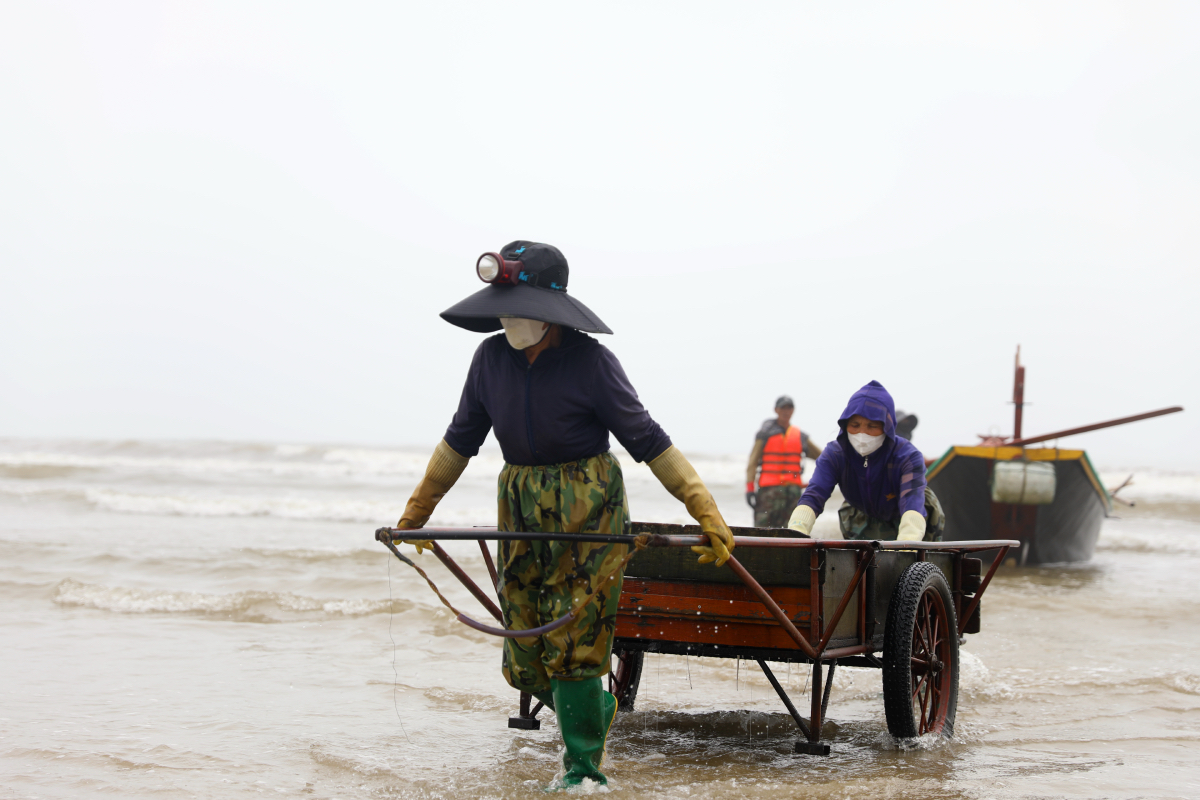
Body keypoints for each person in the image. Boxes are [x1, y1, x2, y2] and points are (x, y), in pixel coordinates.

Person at [393, 241, 735, 788]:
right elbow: (460, 441)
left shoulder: (592, 362)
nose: (510, 319)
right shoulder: (488, 360)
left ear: (551, 311)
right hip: (521, 504)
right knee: (526, 650)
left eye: (521, 307)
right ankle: (595, 713)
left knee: (574, 644)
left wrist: (704, 507)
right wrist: (416, 512)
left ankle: (583, 773)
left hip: (586, 507)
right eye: (503, 307)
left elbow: (647, 440)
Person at [787, 381, 944, 541]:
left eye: (872, 426)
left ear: (887, 428)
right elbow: (815, 494)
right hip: (862, 514)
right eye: (855, 425)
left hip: (909, 514)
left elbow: (911, 500)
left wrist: (907, 544)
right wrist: (796, 531)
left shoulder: (907, 456)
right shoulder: (834, 454)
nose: (862, 434)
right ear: (845, 424)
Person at [745, 395, 823, 527]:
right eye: (783, 408)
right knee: (762, 530)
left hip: (793, 493)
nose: (786, 411)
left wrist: (817, 482)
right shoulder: (764, 434)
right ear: (776, 410)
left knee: (792, 530)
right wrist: (749, 488)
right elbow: (752, 462)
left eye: (789, 408)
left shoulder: (800, 436)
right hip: (768, 492)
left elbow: (823, 459)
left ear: (793, 410)